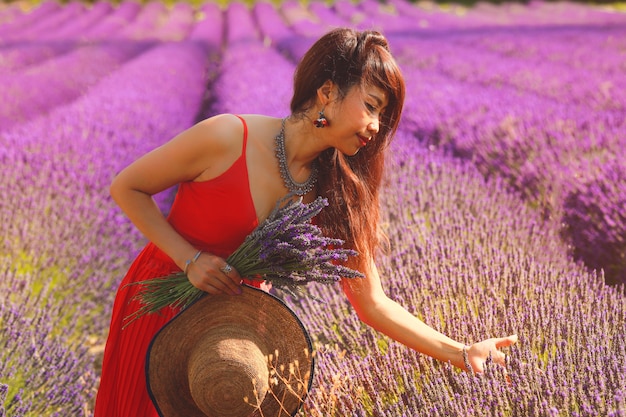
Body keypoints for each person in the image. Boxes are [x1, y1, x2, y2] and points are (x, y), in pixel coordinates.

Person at [94, 27, 517, 417]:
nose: (375, 126)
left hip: (237, 334)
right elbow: (127, 187)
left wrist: (461, 352)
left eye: (383, 116)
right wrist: (190, 259)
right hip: (159, 306)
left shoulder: (335, 194)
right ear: (327, 92)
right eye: (371, 106)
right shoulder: (226, 138)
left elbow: (372, 303)